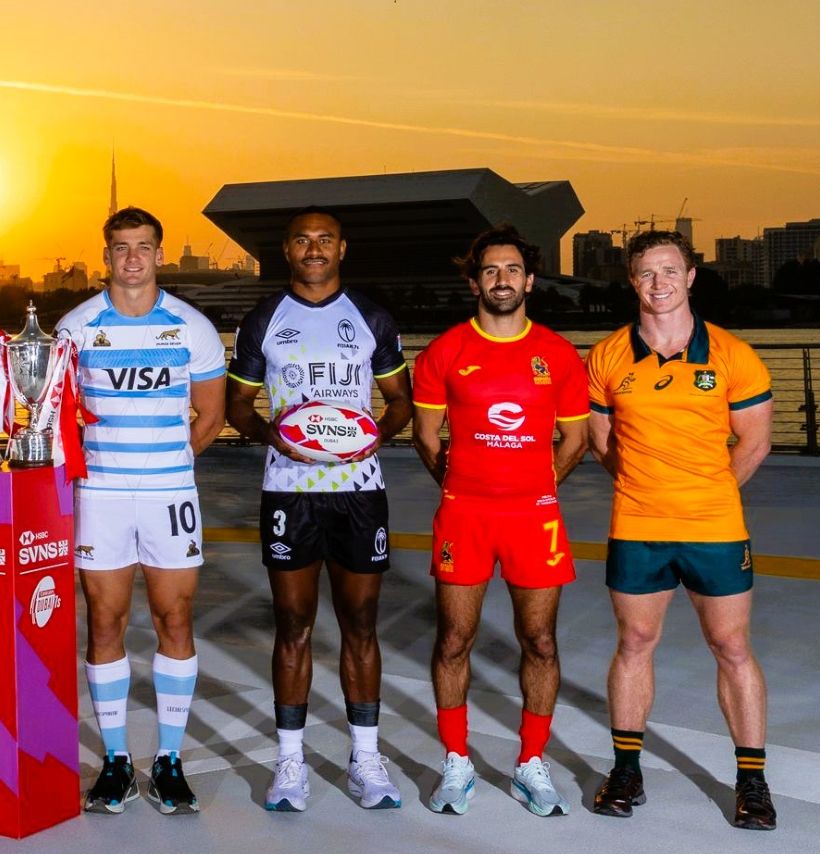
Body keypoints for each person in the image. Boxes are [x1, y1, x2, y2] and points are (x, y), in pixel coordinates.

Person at [585, 228, 777, 830]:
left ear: (691, 277)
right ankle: (626, 771)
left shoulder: (732, 355)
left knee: (732, 647)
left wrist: (708, 493)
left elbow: (755, 442)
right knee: (634, 644)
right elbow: (602, 443)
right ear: (632, 281)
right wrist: (648, 487)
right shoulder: (607, 356)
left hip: (714, 526)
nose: (659, 282)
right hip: (638, 523)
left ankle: (752, 782)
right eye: (647, 272)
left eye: (670, 270)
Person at [225, 209, 413, 813]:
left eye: (325, 239)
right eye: (302, 240)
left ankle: (365, 758)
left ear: (342, 248)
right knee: (293, 624)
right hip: (289, 489)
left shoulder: (371, 318)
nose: (314, 249)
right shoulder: (264, 319)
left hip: (359, 488)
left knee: (360, 624)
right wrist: (271, 435)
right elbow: (236, 406)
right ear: (286, 250)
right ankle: (290, 763)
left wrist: (371, 436)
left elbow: (400, 402)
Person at [409, 225, 588, 817]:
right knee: (453, 639)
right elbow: (426, 436)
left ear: (530, 280)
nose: (502, 279)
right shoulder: (445, 351)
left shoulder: (557, 354)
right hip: (465, 515)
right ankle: (456, 761)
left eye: (512, 270)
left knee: (540, 641)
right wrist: (459, 485)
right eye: (490, 270)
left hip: (534, 518)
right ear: (474, 282)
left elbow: (575, 439)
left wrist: (538, 487)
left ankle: (531, 762)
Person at [56, 206, 226, 815]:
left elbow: (211, 416)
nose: (132, 258)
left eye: (143, 247)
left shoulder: (192, 327)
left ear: (159, 254)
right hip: (99, 495)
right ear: (106, 256)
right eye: (121, 247)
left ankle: (170, 761)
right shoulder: (75, 328)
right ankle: (117, 763)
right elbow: (56, 417)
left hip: (169, 495)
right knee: (105, 622)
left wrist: (166, 465)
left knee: (174, 618)